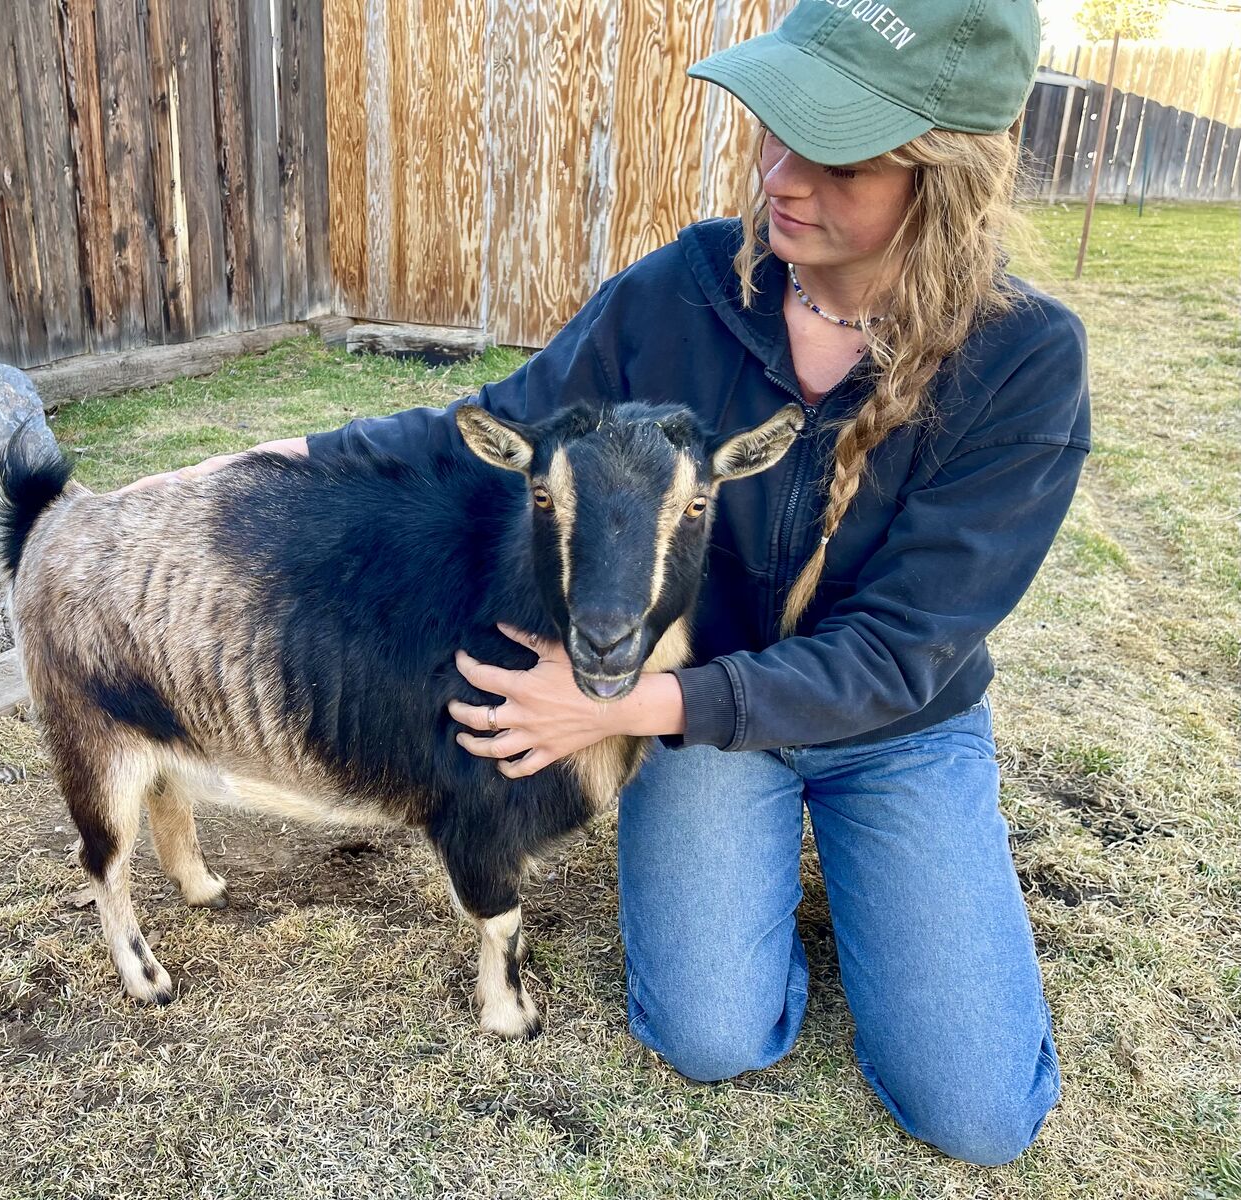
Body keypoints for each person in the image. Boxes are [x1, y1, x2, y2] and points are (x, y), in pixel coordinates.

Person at [128, 0, 1089, 1167]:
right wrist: (263, 469)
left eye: (833, 153)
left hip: (885, 725)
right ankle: (793, 861)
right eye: (773, 127)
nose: (778, 174)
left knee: (977, 1119)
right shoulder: (685, 288)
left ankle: (879, 858)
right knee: (708, 1037)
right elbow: (492, 423)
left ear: (943, 175)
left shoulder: (1024, 363)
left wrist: (617, 705)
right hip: (701, 724)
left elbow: (898, 651)